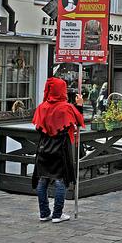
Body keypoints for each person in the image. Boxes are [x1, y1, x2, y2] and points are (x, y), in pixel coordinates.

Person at [32, 77, 85, 223]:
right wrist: (79, 105)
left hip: (43, 147)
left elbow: (38, 127)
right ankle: (57, 214)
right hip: (60, 149)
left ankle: (44, 213)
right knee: (60, 180)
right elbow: (78, 120)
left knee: (43, 180)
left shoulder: (42, 107)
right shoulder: (66, 107)